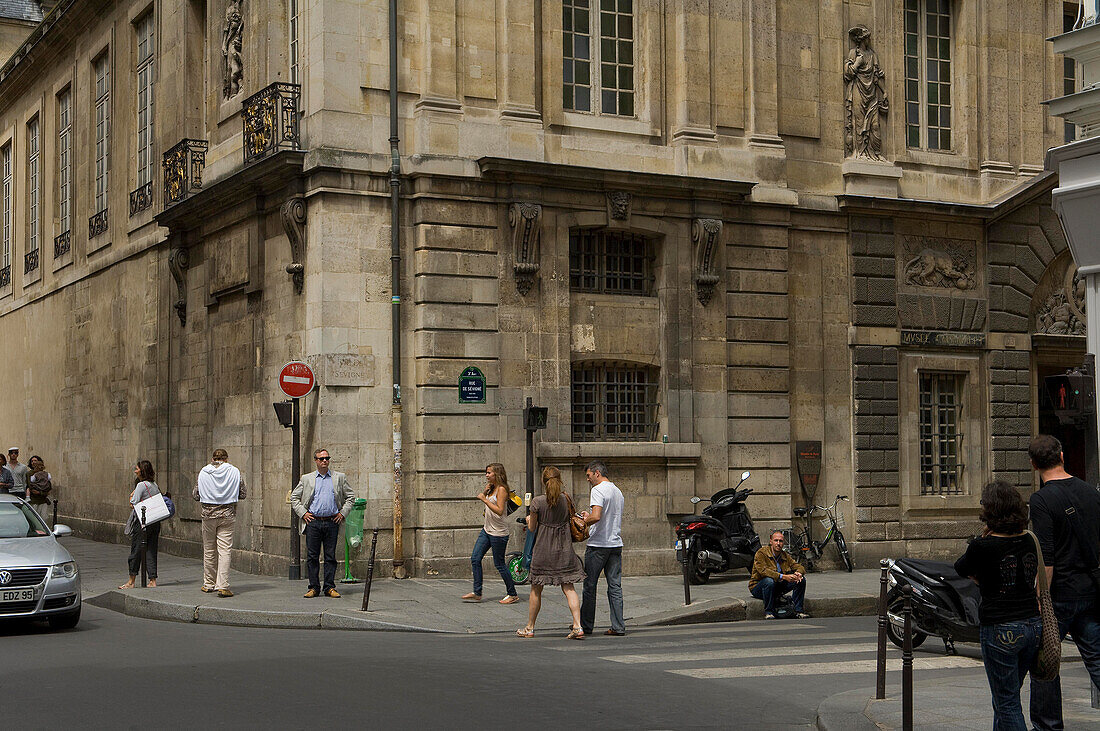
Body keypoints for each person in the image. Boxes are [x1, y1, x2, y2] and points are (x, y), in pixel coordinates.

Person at [1027, 434, 1100, 731]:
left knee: (1046, 662)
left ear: (1033, 464)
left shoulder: (1041, 499)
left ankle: (1048, 726)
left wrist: (1039, 597)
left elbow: (1047, 557)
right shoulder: (1091, 492)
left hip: (1059, 595)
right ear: (1062, 456)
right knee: (1096, 658)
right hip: (1092, 590)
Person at [954, 480, 1041, 730]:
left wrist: (981, 538)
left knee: (1007, 702)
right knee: (1007, 695)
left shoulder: (983, 545)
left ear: (989, 510)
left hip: (1001, 627)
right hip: (1032, 625)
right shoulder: (1029, 539)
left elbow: (961, 567)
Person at [516, 466, 587, 638]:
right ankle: (577, 626)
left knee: (536, 589)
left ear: (543, 481)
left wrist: (528, 519)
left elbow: (532, 527)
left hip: (543, 551)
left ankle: (530, 628)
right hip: (564, 550)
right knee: (569, 588)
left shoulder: (537, 502)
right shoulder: (566, 499)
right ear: (559, 479)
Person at [290, 448, 355, 598]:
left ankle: (329, 587)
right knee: (312, 556)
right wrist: (303, 513)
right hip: (313, 522)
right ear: (316, 461)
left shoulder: (339, 478)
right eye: (321, 459)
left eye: (327, 458)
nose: (325, 461)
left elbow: (350, 497)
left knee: (330, 556)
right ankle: (313, 587)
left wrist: (342, 513)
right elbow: (295, 498)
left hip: (332, 521)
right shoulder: (307, 479)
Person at [579, 460, 626, 636]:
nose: (588, 479)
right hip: (615, 543)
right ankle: (618, 626)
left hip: (598, 545)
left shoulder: (597, 490)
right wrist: (589, 516)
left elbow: (597, 516)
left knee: (589, 585)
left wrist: (584, 519)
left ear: (597, 473)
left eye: (589, 475)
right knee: (615, 586)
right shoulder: (617, 491)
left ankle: (586, 625)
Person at [462, 463, 520, 604]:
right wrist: (486, 493)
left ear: (497, 474)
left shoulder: (502, 489)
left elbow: (500, 511)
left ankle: (512, 594)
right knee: (475, 558)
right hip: (487, 530)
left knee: (499, 564)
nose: (487, 475)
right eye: (486, 473)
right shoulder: (492, 488)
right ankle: (477, 592)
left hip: (498, 533)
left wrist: (484, 499)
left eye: (489, 473)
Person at [193, 448, 246, 598]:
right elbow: (243, 493)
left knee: (209, 549)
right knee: (224, 550)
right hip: (227, 515)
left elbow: (196, 495)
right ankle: (223, 586)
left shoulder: (203, 472)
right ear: (226, 459)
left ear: (212, 459)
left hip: (208, 516)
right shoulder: (235, 472)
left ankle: (208, 583)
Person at [119, 460, 166, 589]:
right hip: (155, 521)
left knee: (136, 550)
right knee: (151, 550)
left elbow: (132, 504)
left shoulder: (141, 485)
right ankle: (152, 580)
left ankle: (131, 581)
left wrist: (131, 497)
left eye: (137, 469)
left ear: (142, 471)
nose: (135, 471)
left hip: (142, 522)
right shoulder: (154, 484)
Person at [749, 531, 810, 619]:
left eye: (780, 541)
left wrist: (798, 573)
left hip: (776, 585)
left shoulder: (784, 555)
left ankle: (798, 610)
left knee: (801, 580)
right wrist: (783, 576)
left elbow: (798, 566)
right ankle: (769, 612)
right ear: (771, 542)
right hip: (759, 586)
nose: (778, 543)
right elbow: (763, 571)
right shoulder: (761, 553)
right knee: (769, 581)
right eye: (776, 540)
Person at [26, 455, 52, 522]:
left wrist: (41, 492)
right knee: (34, 519)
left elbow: (49, 486)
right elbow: (30, 486)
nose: (33, 462)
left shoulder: (45, 474)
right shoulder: (30, 474)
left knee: (44, 518)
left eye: (35, 460)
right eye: (32, 461)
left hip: (43, 500)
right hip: (34, 500)